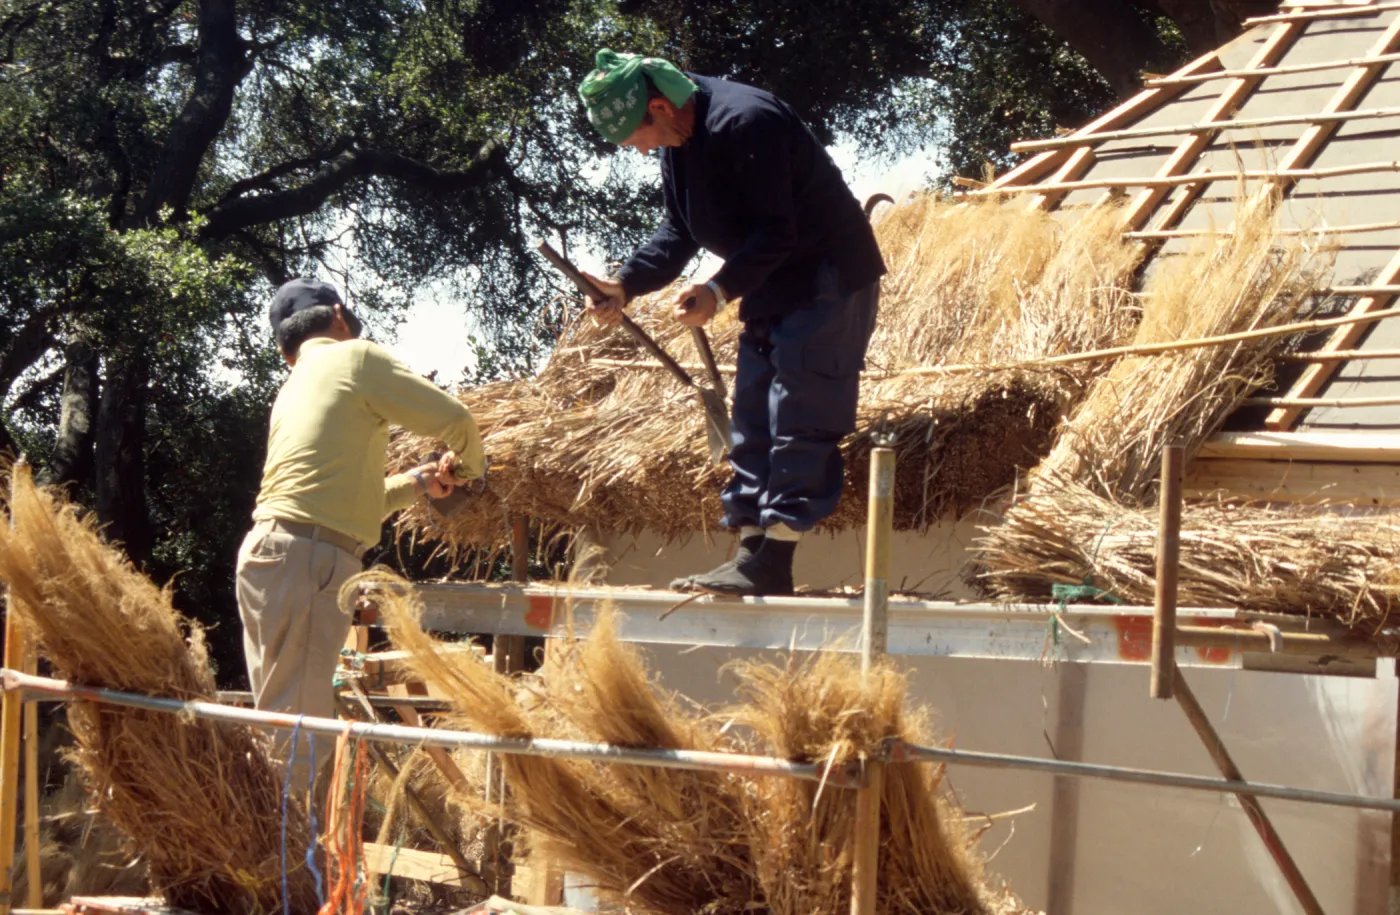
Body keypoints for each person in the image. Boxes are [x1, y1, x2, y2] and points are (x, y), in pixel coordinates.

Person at [576, 50, 885, 596]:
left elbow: (775, 232)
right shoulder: (681, 135)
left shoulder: (746, 121)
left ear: (658, 106)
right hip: (772, 282)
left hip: (827, 276)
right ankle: (749, 554)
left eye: (637, 137)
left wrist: (718, 290)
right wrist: (624, 284)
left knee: (801, 408)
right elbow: (680, 230)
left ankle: (776, 562)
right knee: (752, 413)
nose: (640, 150)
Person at [236, 277, 483, 779]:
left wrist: (416, 482)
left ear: (288, 349)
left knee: (277, 721)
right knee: (299, 738)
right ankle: (279, 858)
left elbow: (344, 504)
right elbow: (456, 419)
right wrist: (472, 469)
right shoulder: (355, 357)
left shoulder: (295, 385)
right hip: (309, 560)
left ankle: (263, 846)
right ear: (340, 316)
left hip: (270, 555)